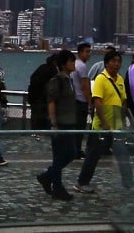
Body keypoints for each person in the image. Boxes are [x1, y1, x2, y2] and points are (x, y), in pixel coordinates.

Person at [74, 50, 134, 194]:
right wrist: (104, 122)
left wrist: (123, 120)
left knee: (122, 154)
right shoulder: (101, 79)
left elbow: (123, 101)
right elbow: (97, 102)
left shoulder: (119, 79)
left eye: (119, 61)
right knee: (93, 155)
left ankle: (128, 182)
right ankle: (82, 182)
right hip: (102, 127)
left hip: (117, 125)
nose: (116, 64)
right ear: (106, 63)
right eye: (113, 61)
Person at [37, 49, 78, 201]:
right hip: (60, 123)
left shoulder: (69, 80)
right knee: (60, 156)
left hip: (69, 122)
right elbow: (51, 102)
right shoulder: (57, 80)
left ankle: (47, 176)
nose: (73, 63)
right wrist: (54, 124)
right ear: (63, 64)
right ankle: (57, 187)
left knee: (71, 153)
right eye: (71, 61)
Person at [71, 43, 92, 159]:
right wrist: (90, 102)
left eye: (89, 51)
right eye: (86, 51)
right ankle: (77, 151)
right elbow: (85, 86)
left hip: (74, 101)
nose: (89, 54)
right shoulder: (82, 67)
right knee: (80, 127)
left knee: (75, 127)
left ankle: (74, 149)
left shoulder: (74, 65)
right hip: (81, 101)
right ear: (80, 53)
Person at [27, 54, 57, 131]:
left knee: (35, 116)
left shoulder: (42, 67)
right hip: (42, 98)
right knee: (44, 117)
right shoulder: (53, 70)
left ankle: (34, 132)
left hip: (33, 96)